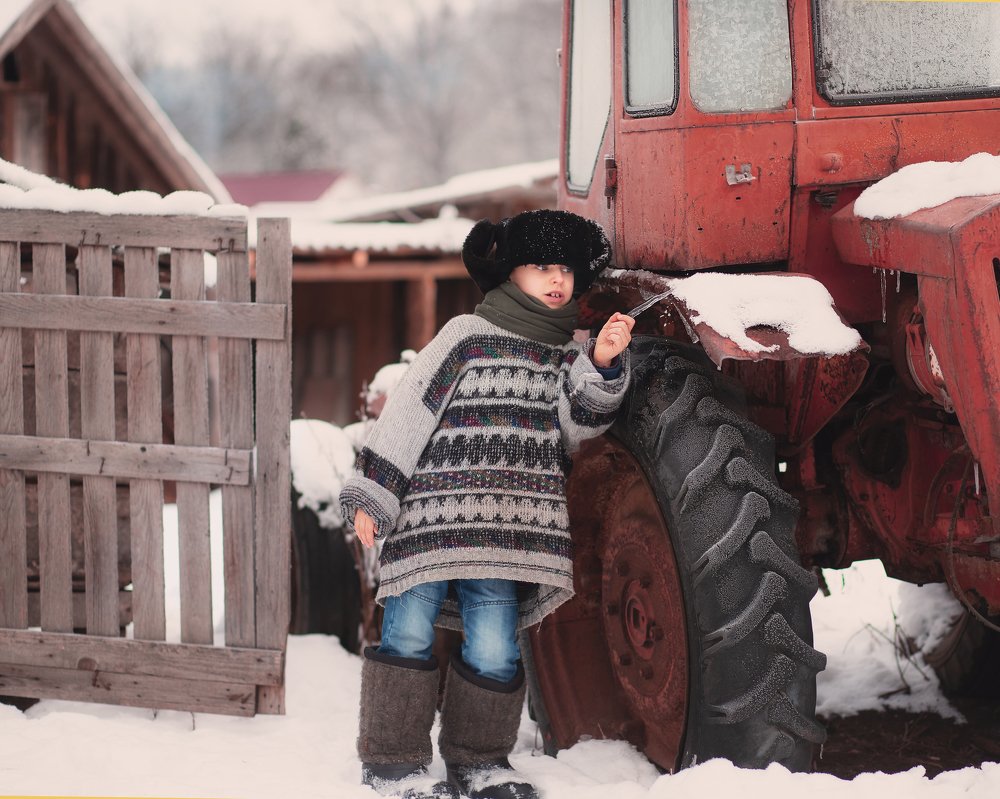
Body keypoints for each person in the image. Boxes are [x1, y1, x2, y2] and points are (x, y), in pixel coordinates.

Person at [340, 209, 635, 799]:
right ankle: (393, 762)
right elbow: (408, 413)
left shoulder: (565, 356)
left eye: (568, 270)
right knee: (409, 634)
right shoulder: (465, 337)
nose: (558, 279)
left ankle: (479, 762)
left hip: (509, 534)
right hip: (429, 522)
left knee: (497, 645)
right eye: (542, 267)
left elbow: (576, 427)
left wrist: (601, 363)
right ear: (510, 273)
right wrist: (373, 494)